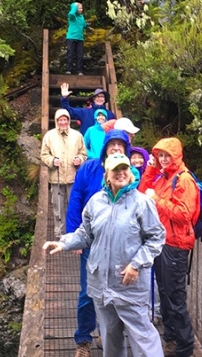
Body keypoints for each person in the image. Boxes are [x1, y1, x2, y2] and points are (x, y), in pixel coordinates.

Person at [43, 153, 166, 357]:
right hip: (101, 285)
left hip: (130, 285)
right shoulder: (95, 202)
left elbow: (156, 238)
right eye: (115, 170)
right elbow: (85, 234)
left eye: (124, 169)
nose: (121, 173)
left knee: (143, 339)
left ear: (130, 173)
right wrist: (64, 242)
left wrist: (136, 264)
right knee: (110, 336)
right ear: (107, 175)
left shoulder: (142, 203)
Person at [65, 129, 140, 356]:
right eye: (112, 145)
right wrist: (73, 235)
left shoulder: (130, 172)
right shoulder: (88, 169)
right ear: (105, 148)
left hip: (120, 246)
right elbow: (76, 199)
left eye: (120, 145)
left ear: (125, 150)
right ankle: (83, 340)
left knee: (116, 291)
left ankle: (107, 334)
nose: (116, 148)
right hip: (92, 240)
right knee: (88, 291)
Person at [138, 137, 199, 357]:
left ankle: (185, 345)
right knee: (164, 291)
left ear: (176, 156)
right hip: (161, 242)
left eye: (166, 155)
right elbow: (141, 192)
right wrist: (150, 169)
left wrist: (157, 201)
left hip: (175, 245)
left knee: (175, 296)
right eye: (160, 155)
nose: (163, 159)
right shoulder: (163, 176)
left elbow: (185, 214)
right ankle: (171, 335)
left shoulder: (184, 180)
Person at [40, 109, 87, 237]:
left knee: (74, 206)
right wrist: (52, 160)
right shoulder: (49, 136)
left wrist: (80, 159)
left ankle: (74, 232)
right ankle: (59, 233)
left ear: (68, 120)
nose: (63, 122)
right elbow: (44, 154)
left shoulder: (77, 136)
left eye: (65, 119)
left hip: (73, 177)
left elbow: (84, 153)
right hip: (56, 178)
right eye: (60, 120)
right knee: (57, 207)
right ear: (56, 121)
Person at [66, 1, 88, 75]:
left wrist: (87, 25)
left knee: (80, 55)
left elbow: (83, 24)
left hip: (80, 38)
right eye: (79, 8)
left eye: (81, 8)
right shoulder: (72, 16)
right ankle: (69, 70)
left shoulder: (81, 17)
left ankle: (79, 70)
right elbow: (71, 13)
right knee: (70, 54)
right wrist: (74, 6)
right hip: (71, 37)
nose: (81, 9)